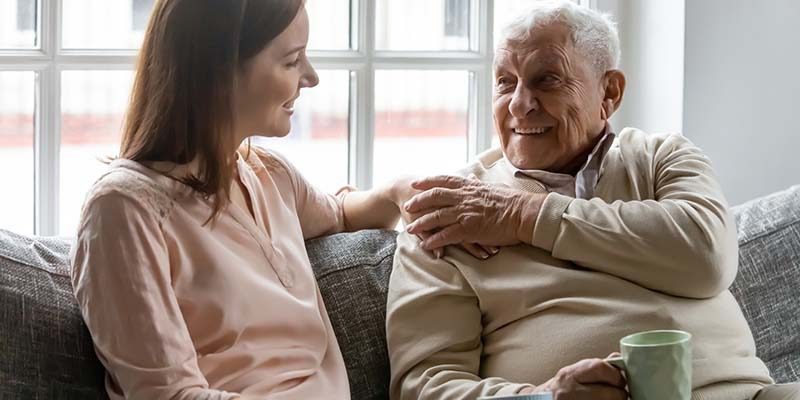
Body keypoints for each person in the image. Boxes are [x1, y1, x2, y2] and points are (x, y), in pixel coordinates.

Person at [387, 1, 798, 399]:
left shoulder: (663, 158)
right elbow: (424, 387)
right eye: (505, 82)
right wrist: (541, 398)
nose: (519, 104)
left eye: (546, 80)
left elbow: (707, 257)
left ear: (610, 92)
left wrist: (524, 216)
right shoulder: (449, 212)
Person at [70, 1, 409, 398]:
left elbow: (339, 216)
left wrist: (401, 191)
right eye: (292, 60)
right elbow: (169, 395)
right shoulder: (123, 210)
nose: (311, 77)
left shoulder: (269, 176)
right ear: (219, 72)